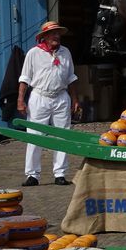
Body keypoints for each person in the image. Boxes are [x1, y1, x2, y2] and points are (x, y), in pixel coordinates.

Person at [17, 20, 81, 186]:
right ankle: (33, 175)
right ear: (44, 37)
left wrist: (75, 99)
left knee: (63, 135)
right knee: (34, 135)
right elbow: (24, 78)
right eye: (53, 33)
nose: (56, 36)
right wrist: (20, 100)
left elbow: (71, 78)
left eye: (58, 33)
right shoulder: (34, 53)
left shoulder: (65, 52)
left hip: (61, 97)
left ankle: (60, 173)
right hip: (39, 97)